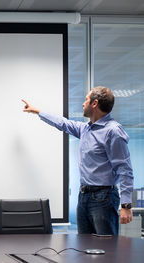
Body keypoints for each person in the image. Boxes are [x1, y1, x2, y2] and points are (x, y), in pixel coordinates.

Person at [22, 86, 133, 235]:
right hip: (84, 196)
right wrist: (38, 112)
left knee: (107, 248)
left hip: (104, 198)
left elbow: (124, 169)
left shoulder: (113, 131)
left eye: (86, 100)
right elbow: (63, 123)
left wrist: (126, 205)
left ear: (95, 103)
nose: (83, 103)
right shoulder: (86, 129)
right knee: (85, 247)